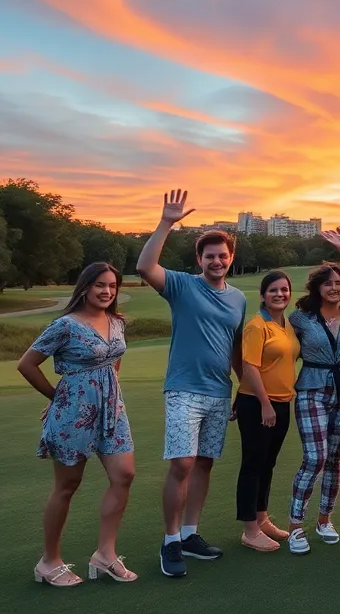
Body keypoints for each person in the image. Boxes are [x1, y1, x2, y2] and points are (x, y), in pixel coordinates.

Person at [137, 191, 247, 579]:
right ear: (199, 259)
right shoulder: (182, 285)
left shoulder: (238, 299)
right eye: (209, 256)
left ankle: (189, 534)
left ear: (231, 258)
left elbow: (235, 347)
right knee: (182, 462)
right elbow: (145, 266)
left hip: (219, 391)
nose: (217, 261)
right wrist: (166, 223)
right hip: (184, 388)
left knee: (204, 463)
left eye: (222, 256)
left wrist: (243, 388)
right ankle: (170, 540)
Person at [17, 262, 137, 586]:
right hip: (73, 413)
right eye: (100, 284)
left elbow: (114, 360)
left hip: (113, 411)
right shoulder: (65, 326)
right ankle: (48, 562)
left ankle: (105, 554)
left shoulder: (117, 322)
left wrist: (110, 391)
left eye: (112, 285)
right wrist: (57, 397)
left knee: (124, 475)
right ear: (85, 287)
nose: (107, 291)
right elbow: (27, 364)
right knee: (67, 485)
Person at [285, 251, 340, 554]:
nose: (334, 288)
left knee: (335, 457)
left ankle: (324, 520)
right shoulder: (300, 318)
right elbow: (284, 349)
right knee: (315, 457)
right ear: (317, 287)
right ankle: (295, 525)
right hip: (311, 387)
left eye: (339, 283)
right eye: (328, 283)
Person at [235, 271, 299, 552]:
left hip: (282, 403)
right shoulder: (257, 325)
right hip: (258, 403)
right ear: (263, 295)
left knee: (267, 463)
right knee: (253, 464)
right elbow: (249, 366)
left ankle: (262, 518)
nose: (279, 294)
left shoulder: (286, 325)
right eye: (273, 290)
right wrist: (265, 403)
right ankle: (250, 530)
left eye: (284, 290)